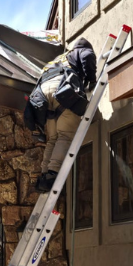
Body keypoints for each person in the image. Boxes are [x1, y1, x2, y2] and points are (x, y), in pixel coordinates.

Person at [24, 37, 97, 193]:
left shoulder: (57, 59)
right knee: (65, 135)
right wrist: (91, 79)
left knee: (53, 138)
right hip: (62, 89)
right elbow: (87, 57)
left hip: (43, 94)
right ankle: (52, 174)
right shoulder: (81, 49)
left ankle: (44, 175)